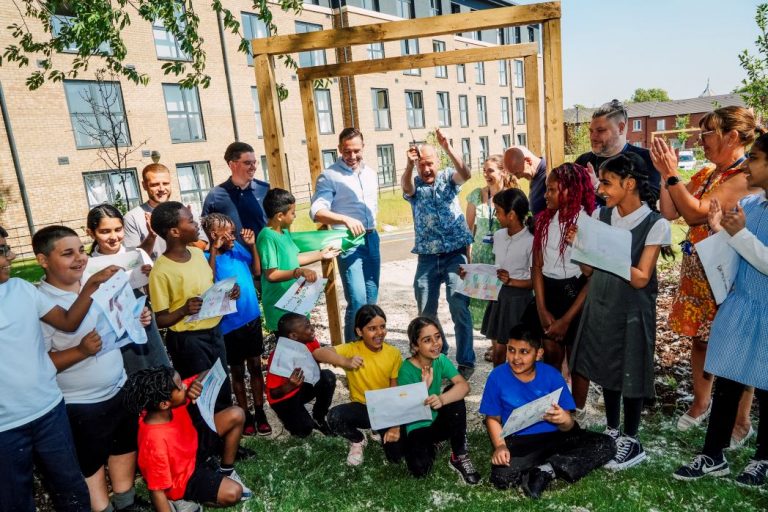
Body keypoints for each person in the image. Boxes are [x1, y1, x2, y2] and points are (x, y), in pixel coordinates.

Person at [651, 105, 759, 444]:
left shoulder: (744, 176)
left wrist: (672, 175)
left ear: (732, 136)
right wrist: (662, 172)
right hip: (699, 271)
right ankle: (702, 402)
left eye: (708, 132)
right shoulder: (706, 174)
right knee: (700, 338)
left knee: (734, 346)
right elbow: (670, 210)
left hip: (728, 273)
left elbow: (697, 214)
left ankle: (741, 421)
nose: (701, 139)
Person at [33, 225, 152, 512]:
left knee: (123, 446)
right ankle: (102, 508)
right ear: (43, 260)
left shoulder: (95, 282)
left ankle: (126, 501)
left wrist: (137, 318)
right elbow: (40, 362)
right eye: (67, 253)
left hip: (118, 385)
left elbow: (115, 321)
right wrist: (80, 351)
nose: (79, 258)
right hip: (81, 401)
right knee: (91, 460)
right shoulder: (41, 303)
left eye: (81, 251)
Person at [672, 132, 768, 485]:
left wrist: (739, 234)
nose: (748, 165)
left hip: (766, 309)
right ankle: (712, 454)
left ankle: (763, 458)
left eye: (755, 158)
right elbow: (738, 248)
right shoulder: (753, 207)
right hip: (740, 304)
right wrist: (719, 229)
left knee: (766, 382)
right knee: (727, 377)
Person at [0, 226, 118, 512]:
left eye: (6, 249)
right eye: (2, 252)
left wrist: (90, 287)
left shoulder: (21, 289)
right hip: (5, 427)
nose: (10, 257)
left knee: (71, 488)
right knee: (15, 501)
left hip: (49, 411)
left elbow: (67, 322)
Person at [569, 153, 672, 471]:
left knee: (630, 366)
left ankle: (631, 437)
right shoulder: (600, 216)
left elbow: (641, 277)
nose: (600, 188)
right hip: (601, 303)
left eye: (607, 182)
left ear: (630, 184)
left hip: (631, 309)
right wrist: (580, 245)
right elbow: (587, 271)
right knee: (606, 365)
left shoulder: (656, 224)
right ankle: (613, 429)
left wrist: (602, 254)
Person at [480, 325, 615, 499]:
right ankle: (548, 467)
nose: (516, 358)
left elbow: (569, 426)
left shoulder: (551, 375)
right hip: (519, 440)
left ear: (538, 354)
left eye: (524, 352)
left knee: (606, 444)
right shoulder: (497, 376)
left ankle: (546, 470)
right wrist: (500, 446)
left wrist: (564, 419)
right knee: (502, 478)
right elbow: (492, 418)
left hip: (555, 437)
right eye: (511, 350)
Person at [149, 201, 239, 413]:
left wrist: (227, 292)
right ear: (175, 231)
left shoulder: (198, 254)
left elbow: (208, 285)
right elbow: (160, 320)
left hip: (214, 333)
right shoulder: (160, 272)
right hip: (189, 342)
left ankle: (227, 436)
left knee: (221, 385)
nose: (197, 224)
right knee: (201, 396)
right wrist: (183, 310)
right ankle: (207, 444)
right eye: (190, 221)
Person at [401, 128, 475, 379]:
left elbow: (466, 173)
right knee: (426, 312)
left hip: (455, 254)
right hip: (427, 257)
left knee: (458, 306)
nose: (426, 169)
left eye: (429, 163)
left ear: (437, 162)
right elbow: (407, 187)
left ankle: (466, 360)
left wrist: (447, 146)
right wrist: (410, 166)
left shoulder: (447, 178)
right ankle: (436, 354)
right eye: (422, 165)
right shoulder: (416, 184)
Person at [123, 366, 251, 510]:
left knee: (236, 414)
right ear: (165, 404)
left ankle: (226, 471)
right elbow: (156, 491)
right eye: (180, 387)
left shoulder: (168, 401)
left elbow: (206, 371)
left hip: (194, 449)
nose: (184, 385)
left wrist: (196, 383)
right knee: (234, 493)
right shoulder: (153, 442)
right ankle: (182, 501)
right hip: (183, 479)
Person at [525, 163, 596, 400]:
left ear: (570, 191)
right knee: (551, 353)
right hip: (548, 293)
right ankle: (554, 403)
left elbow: (591, 278)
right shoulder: (543, 221)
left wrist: (566, 320)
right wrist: (542, 308)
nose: (546, 195)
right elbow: (537, 265)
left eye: (552, 190)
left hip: (576, 296)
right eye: (546, 189)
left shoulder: (586, 223)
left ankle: (577, 410)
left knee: (577, 358)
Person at [201, 212, 270, 436]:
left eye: (233, 232)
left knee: (256, 366)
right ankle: (245, 413)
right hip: (229, 324)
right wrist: (213, 249)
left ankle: (260, 411)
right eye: (228, 233)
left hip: (250, 317)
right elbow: (208, 281)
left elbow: (257, 271)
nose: (233, 236)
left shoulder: (238, 249)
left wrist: (251, 246)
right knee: (237, 371)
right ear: (213, 234)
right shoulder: (206, 257)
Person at [310, 128, 380, 342]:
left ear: (363, 148)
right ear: (340, 149)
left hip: (372, 238)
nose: (352, 156)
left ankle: (370, 350)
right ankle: (351, 354)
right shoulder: (329, 176)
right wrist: (344, 219)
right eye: (347, 151)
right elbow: (316, 212)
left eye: (356, 151)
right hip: (349, 241)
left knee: (371, 300)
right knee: (358, 301)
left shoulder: (370, 174)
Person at [85, 204, 171, 375]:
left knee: (157, 372)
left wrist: (151, 277)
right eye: (105, 231)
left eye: (118, 229)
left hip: (144, 321)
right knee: (131, 374)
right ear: (90, 232)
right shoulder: (87, 265)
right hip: (113, 329)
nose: (114, 237)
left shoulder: (138, 254)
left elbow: (153, 295)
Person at [314, 305, 403, 466]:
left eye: (382, 327)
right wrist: (345, 361)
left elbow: (394, 389)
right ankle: (358, 440)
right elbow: (318, 353)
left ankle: (377, 430)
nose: (379, 333)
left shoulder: (393, 353)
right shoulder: (352, 349)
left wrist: (394, 422)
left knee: (396, 458)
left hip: (384, 409)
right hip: (361, 407)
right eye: (372, 328)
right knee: (335, 417)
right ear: (359, 331)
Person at [396, 316, 480, 484]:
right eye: (427, 340)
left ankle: (459, 455)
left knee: (454, 394)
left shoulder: (440, 360)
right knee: (421, 470)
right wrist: (422, 388)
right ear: (415, 346)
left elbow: (464, 387)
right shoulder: (406, 370)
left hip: (437, 420)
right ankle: (433, 445)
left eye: (438, 336)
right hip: (416, 425)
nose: (435, 343)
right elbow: (405, 410)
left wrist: (442, 399)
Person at [256, 188, 340, 333]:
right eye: (293, 212)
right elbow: (271, 274)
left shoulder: (284, 233)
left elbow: (293, 259)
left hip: (295, 302)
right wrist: (298, 272)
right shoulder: (267, 237)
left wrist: (320, 255)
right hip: (280, 308)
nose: (295, 216)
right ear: (280, 216)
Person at [477, 188, 535, 367]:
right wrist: (472, 274)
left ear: (511, 215)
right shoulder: (499, 236)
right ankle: (499, 387)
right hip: (499, 298)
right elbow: (496, 269)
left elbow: (535, 281)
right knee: (499, 351)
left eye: (498, 212)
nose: (496, 216)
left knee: (518, 350)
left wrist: (511, 281)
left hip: (519, 302)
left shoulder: (531, 240)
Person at [465, 155, 515, 359]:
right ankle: (495, 346)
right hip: (481, 258)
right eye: (484, 170)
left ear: (503, 172)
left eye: (491, 170)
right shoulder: (476, 196)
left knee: (502, 304)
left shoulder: (512, 196)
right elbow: (468, 230)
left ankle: (505, 346)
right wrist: (468, 258)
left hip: (503, 259)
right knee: (485, 305)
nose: (486, 174)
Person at [265, 312, 336, 437]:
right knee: (304, 431)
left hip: (302, 387)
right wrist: (289, 385)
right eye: (307, 327)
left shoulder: (310, 342)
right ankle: (292, 418)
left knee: (327, 377)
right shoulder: (279, 358)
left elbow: (316, 366)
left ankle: (319, 416)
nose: (312, 328)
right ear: (293, 336)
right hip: (284, 397)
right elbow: (273, 394)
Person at [575, 99, 661, 202]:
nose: (593, 137)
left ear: (620, 128)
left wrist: (597, 186)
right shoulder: (583, 161)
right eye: (591, 131)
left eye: (600, 130)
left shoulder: (646, 159)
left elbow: (647, 202)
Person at [124, 163, 207, 261]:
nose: (161, 189)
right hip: (156, 275)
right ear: (144, 185)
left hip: (187, 272)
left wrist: (184, 229)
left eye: (165, 183)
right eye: (155, 184)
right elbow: (133, 260)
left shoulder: (185, 211)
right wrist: (151, 236)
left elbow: (202, 247)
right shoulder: (132, 217)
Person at [202, 142, 270, 249]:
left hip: (265, 259)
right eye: (248, 163)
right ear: (232, 165)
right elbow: (205, 230)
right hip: (234, 261)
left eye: (255, 162)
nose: (253, 167)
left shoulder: (266, 189)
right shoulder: (215, 196)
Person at [503, 146, 548, 215]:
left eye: (517, 173)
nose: (518, 178)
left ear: (528, 161)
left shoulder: (548, 175)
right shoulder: (534, 175)